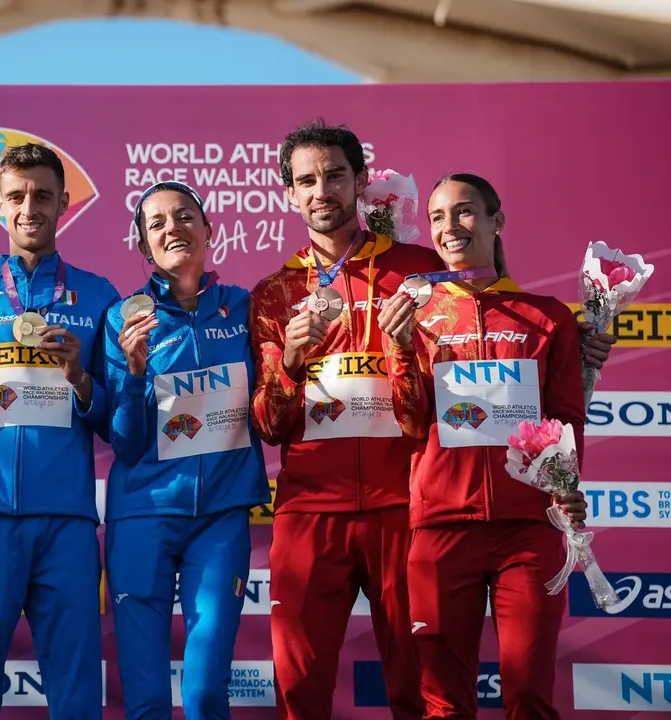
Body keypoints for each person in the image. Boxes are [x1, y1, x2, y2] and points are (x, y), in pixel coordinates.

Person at [248, 120, 615, 720]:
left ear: (361, 183)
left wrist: (576, 343)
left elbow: (499, 325)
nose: (323, 191)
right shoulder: (272, 295)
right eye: (307, 181)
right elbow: (267, 422)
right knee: (300, 690)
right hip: (312, 508)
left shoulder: (426, 270)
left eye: (336, 175)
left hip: (408, 508)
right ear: (290, 194)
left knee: (421, 698)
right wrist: (290, 362)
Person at [378, 173, 589, 719]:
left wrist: (566, 489)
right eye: (438, 217)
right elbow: (407, 421)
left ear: (497, 221)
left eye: (465, 212)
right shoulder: (414, 316)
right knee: (443, 705)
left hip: (528, 531)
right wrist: (400, 351)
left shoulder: (549, 317)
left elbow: (566, 419)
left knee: (527, 696)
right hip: (442, 530)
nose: (451, 227)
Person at [0, 142, 120, 719]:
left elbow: (116, 416)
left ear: (64, 202)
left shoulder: (98, 293)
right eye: (16, 195)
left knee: (75, 689)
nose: (29, 207)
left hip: (65, 518)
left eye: (42, 195)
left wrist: (80, 378)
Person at [103, 181, 271, 719]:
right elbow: (124, 441)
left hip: (219, 519)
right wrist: (132, 374)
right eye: (156, 224)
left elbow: (273, 405)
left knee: (203, 694)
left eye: (183, 217)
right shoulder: (122, 320)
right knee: (148, 700)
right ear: (141, 246)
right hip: (142, 517)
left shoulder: (243, 308)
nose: (172, 228)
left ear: (209, 229)